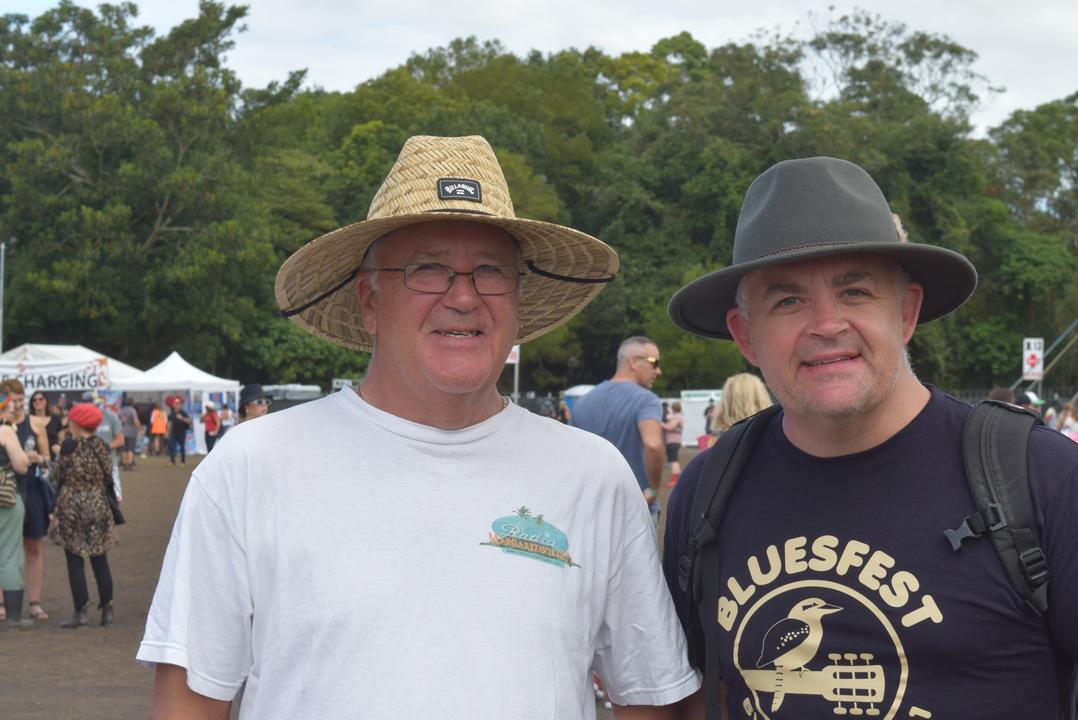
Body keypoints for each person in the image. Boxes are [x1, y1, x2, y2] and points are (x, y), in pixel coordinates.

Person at [139, 134, 697, 718]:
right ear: (370, 300)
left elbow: (648, 692)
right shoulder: (252, 464)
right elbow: (190, 700)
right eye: (427, 269)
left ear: (517, 302)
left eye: (490, 271)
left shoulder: (594, 475)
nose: (463, 296)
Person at [662, 156, 1078, 717]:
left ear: (906, 312)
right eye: (787, 300)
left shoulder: (1044, 479)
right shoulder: (708, 493)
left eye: (855, 292)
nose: (826, 324)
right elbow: (695, 697)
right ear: (746, 336)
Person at [570, 336, 666, 514]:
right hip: (635, 509)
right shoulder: (646, 400)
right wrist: (653, 490)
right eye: (655, 363)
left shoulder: (582, 403)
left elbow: (571, 456)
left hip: (593, 508)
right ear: (633, 362)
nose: (658, 371)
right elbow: (653, 445)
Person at [49, 402, 118, 628]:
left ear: (77, 422)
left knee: (75, 560)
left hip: (73, 509)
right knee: (100, 559)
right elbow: (109, 476)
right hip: (98, 506)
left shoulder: (69, 447)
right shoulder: (103, 447)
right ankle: (107, 609)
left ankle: (81, 611)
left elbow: (56, 476)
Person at [1, 380, 54, 624]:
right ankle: (2, 604)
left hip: (30, 490)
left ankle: (34, 603)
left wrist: (37, 459)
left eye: (23, 400)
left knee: (33, 548)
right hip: (6, 493)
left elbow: (48, 460)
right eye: (15, 401)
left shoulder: (34, 424)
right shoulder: (3, 426)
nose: (20, 405)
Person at [0, 389, 34, 629]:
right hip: (5, 499)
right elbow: (21, 466)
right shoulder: (5, 432)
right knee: (10, 556)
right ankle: (13, 617)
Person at [662, 401, 684, 487]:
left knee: (673, 460)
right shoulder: (678, 416)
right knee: (675, 460)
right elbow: (669, 418)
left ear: (673, 408)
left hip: (672, 441)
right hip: (676, 441)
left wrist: (662, 424)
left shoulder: (677, 417)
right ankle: (678, 477)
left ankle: (674, 479)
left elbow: (670, 427)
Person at [166, 399, 191, 465]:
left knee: (182, 447)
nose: (177, 405)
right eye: (176, 404)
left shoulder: (183, 413)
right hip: (173, 433)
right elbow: (169, 424)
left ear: (180, 405)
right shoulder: (171, 414)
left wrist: (182, 418)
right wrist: (167, 433)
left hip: (182, 432)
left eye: (178, 404)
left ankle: (182, 461)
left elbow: (189, 421)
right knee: (172, 447)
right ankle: (172, 461)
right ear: (173, 405)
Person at [119, 397, 141, 470]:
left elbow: (119, 420)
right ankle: (129, 464)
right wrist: (139, 428)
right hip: (131, 432)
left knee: (124, 449)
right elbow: (135, 421)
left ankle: (125, 464)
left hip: (123, 431)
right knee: (130, 449)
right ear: (132, 403)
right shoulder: (133, 410)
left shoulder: (122, 410)